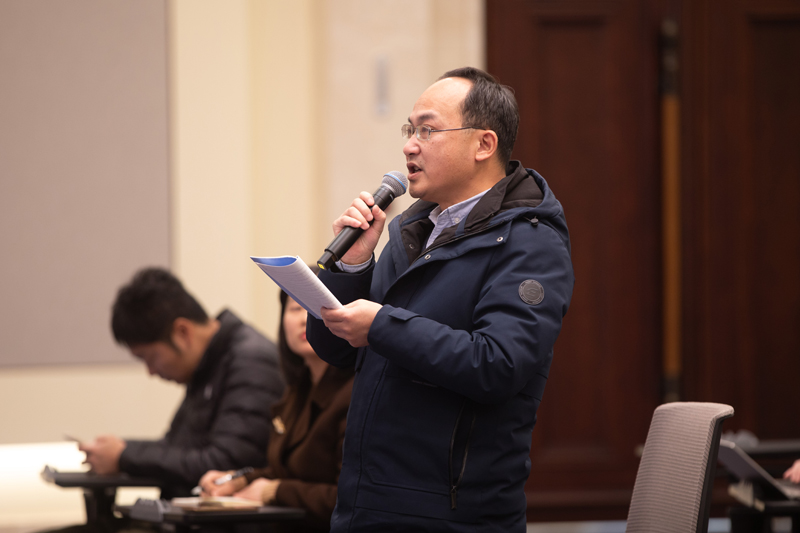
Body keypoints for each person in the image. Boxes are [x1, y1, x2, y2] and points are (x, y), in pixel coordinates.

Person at [306, 67, 575, 532]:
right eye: (409, 130)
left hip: (450, 515)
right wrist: (352, 267)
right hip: (365, 505)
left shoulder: (530, 243)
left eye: (427, 131)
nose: (410, 146)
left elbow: (498, 364)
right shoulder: (414, 231)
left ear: (484, 144)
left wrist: (381, 325)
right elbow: (335, 351)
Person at [79, 267, 284, 499]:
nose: (151, 372)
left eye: (150, 357)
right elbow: (177, 447)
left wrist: (124, 457)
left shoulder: (251, 363)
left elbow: (224, 464)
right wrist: (120, 450)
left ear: (182, 333)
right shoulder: (209, 364)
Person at [199, 285, 354, 533]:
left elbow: (352, 499)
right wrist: (239, 480)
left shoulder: (353, 392)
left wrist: (275, 491)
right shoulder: (297, 389)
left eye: (313, 307)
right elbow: (287, 470)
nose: (304, 319)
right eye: (295, 308)